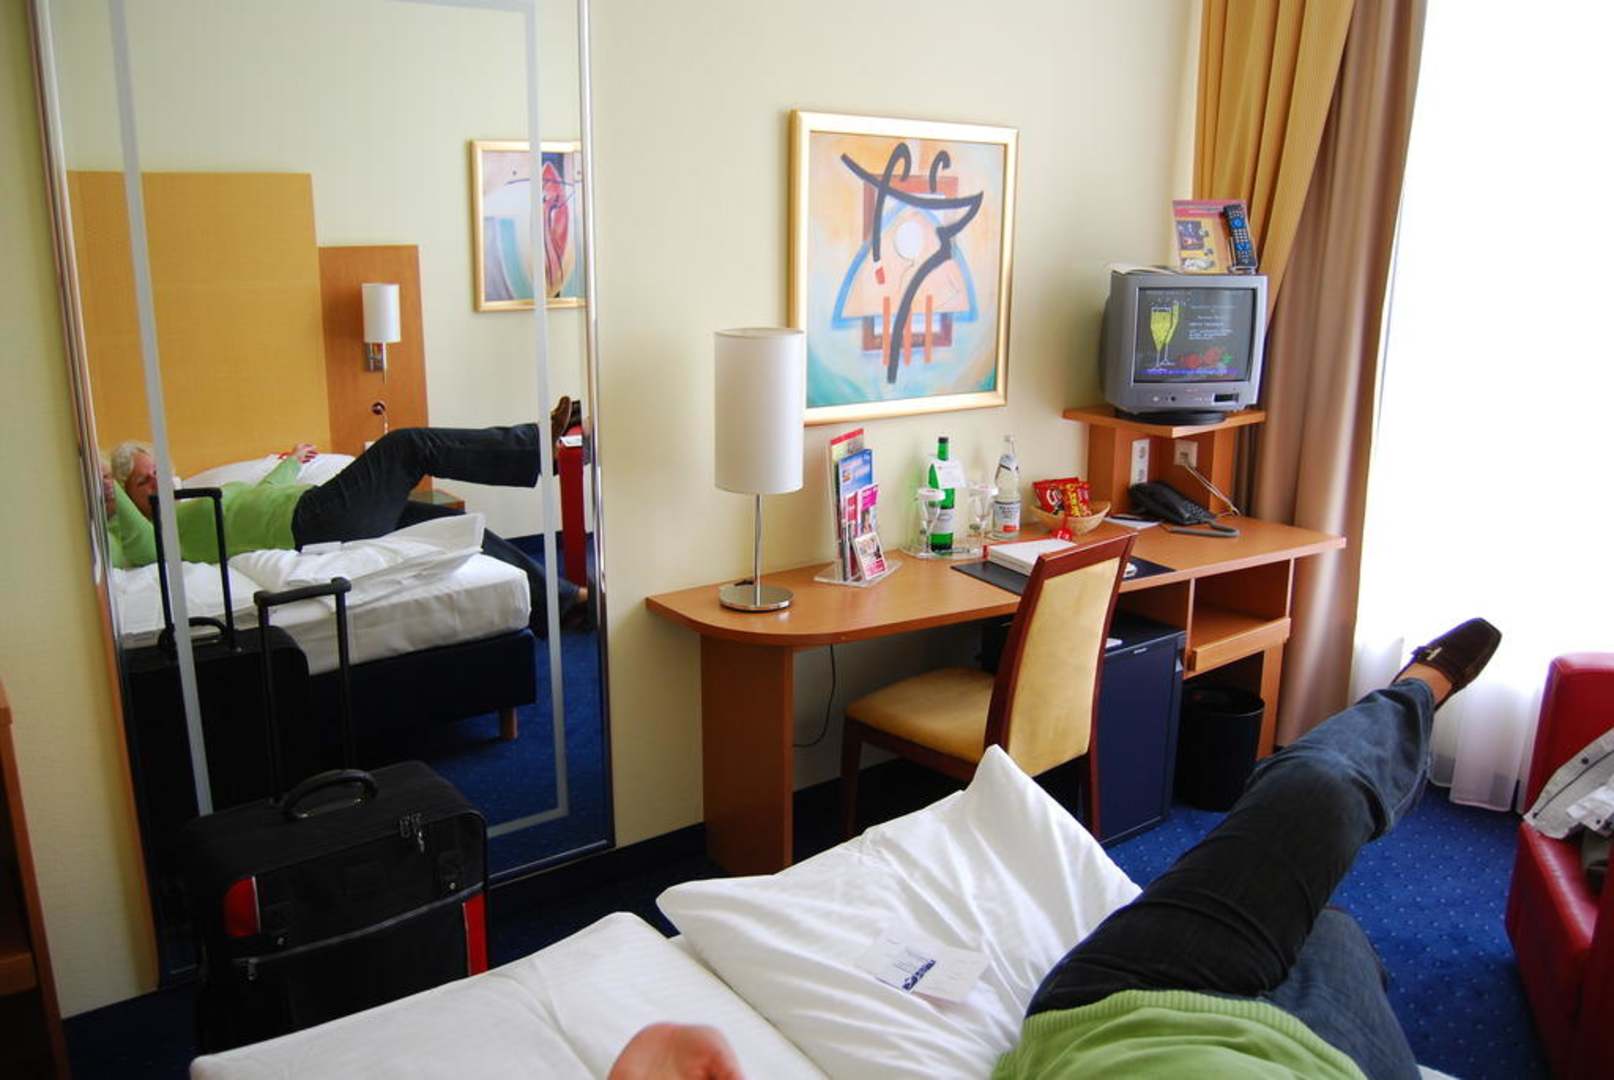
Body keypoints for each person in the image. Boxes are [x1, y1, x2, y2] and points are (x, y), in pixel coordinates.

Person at [606, 618, 1504, 1079]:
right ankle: (1410, 704)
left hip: (1114, 1009)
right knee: (1331, 923)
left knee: (1313, 803)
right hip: (1327, 1056)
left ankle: (1408, 696)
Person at [104, 425, 586, 630]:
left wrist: (291, 461)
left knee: (453, 528)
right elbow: (137, 549)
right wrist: (110, 492)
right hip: (314, 521)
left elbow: (263, 490)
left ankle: (563, 603)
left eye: (158, 473)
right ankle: (538, 447)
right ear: (128, 497)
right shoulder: (161, 531)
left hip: (312, 504)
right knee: (406, 445)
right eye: (142, 481)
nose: (156, 484)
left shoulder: (199, 499)